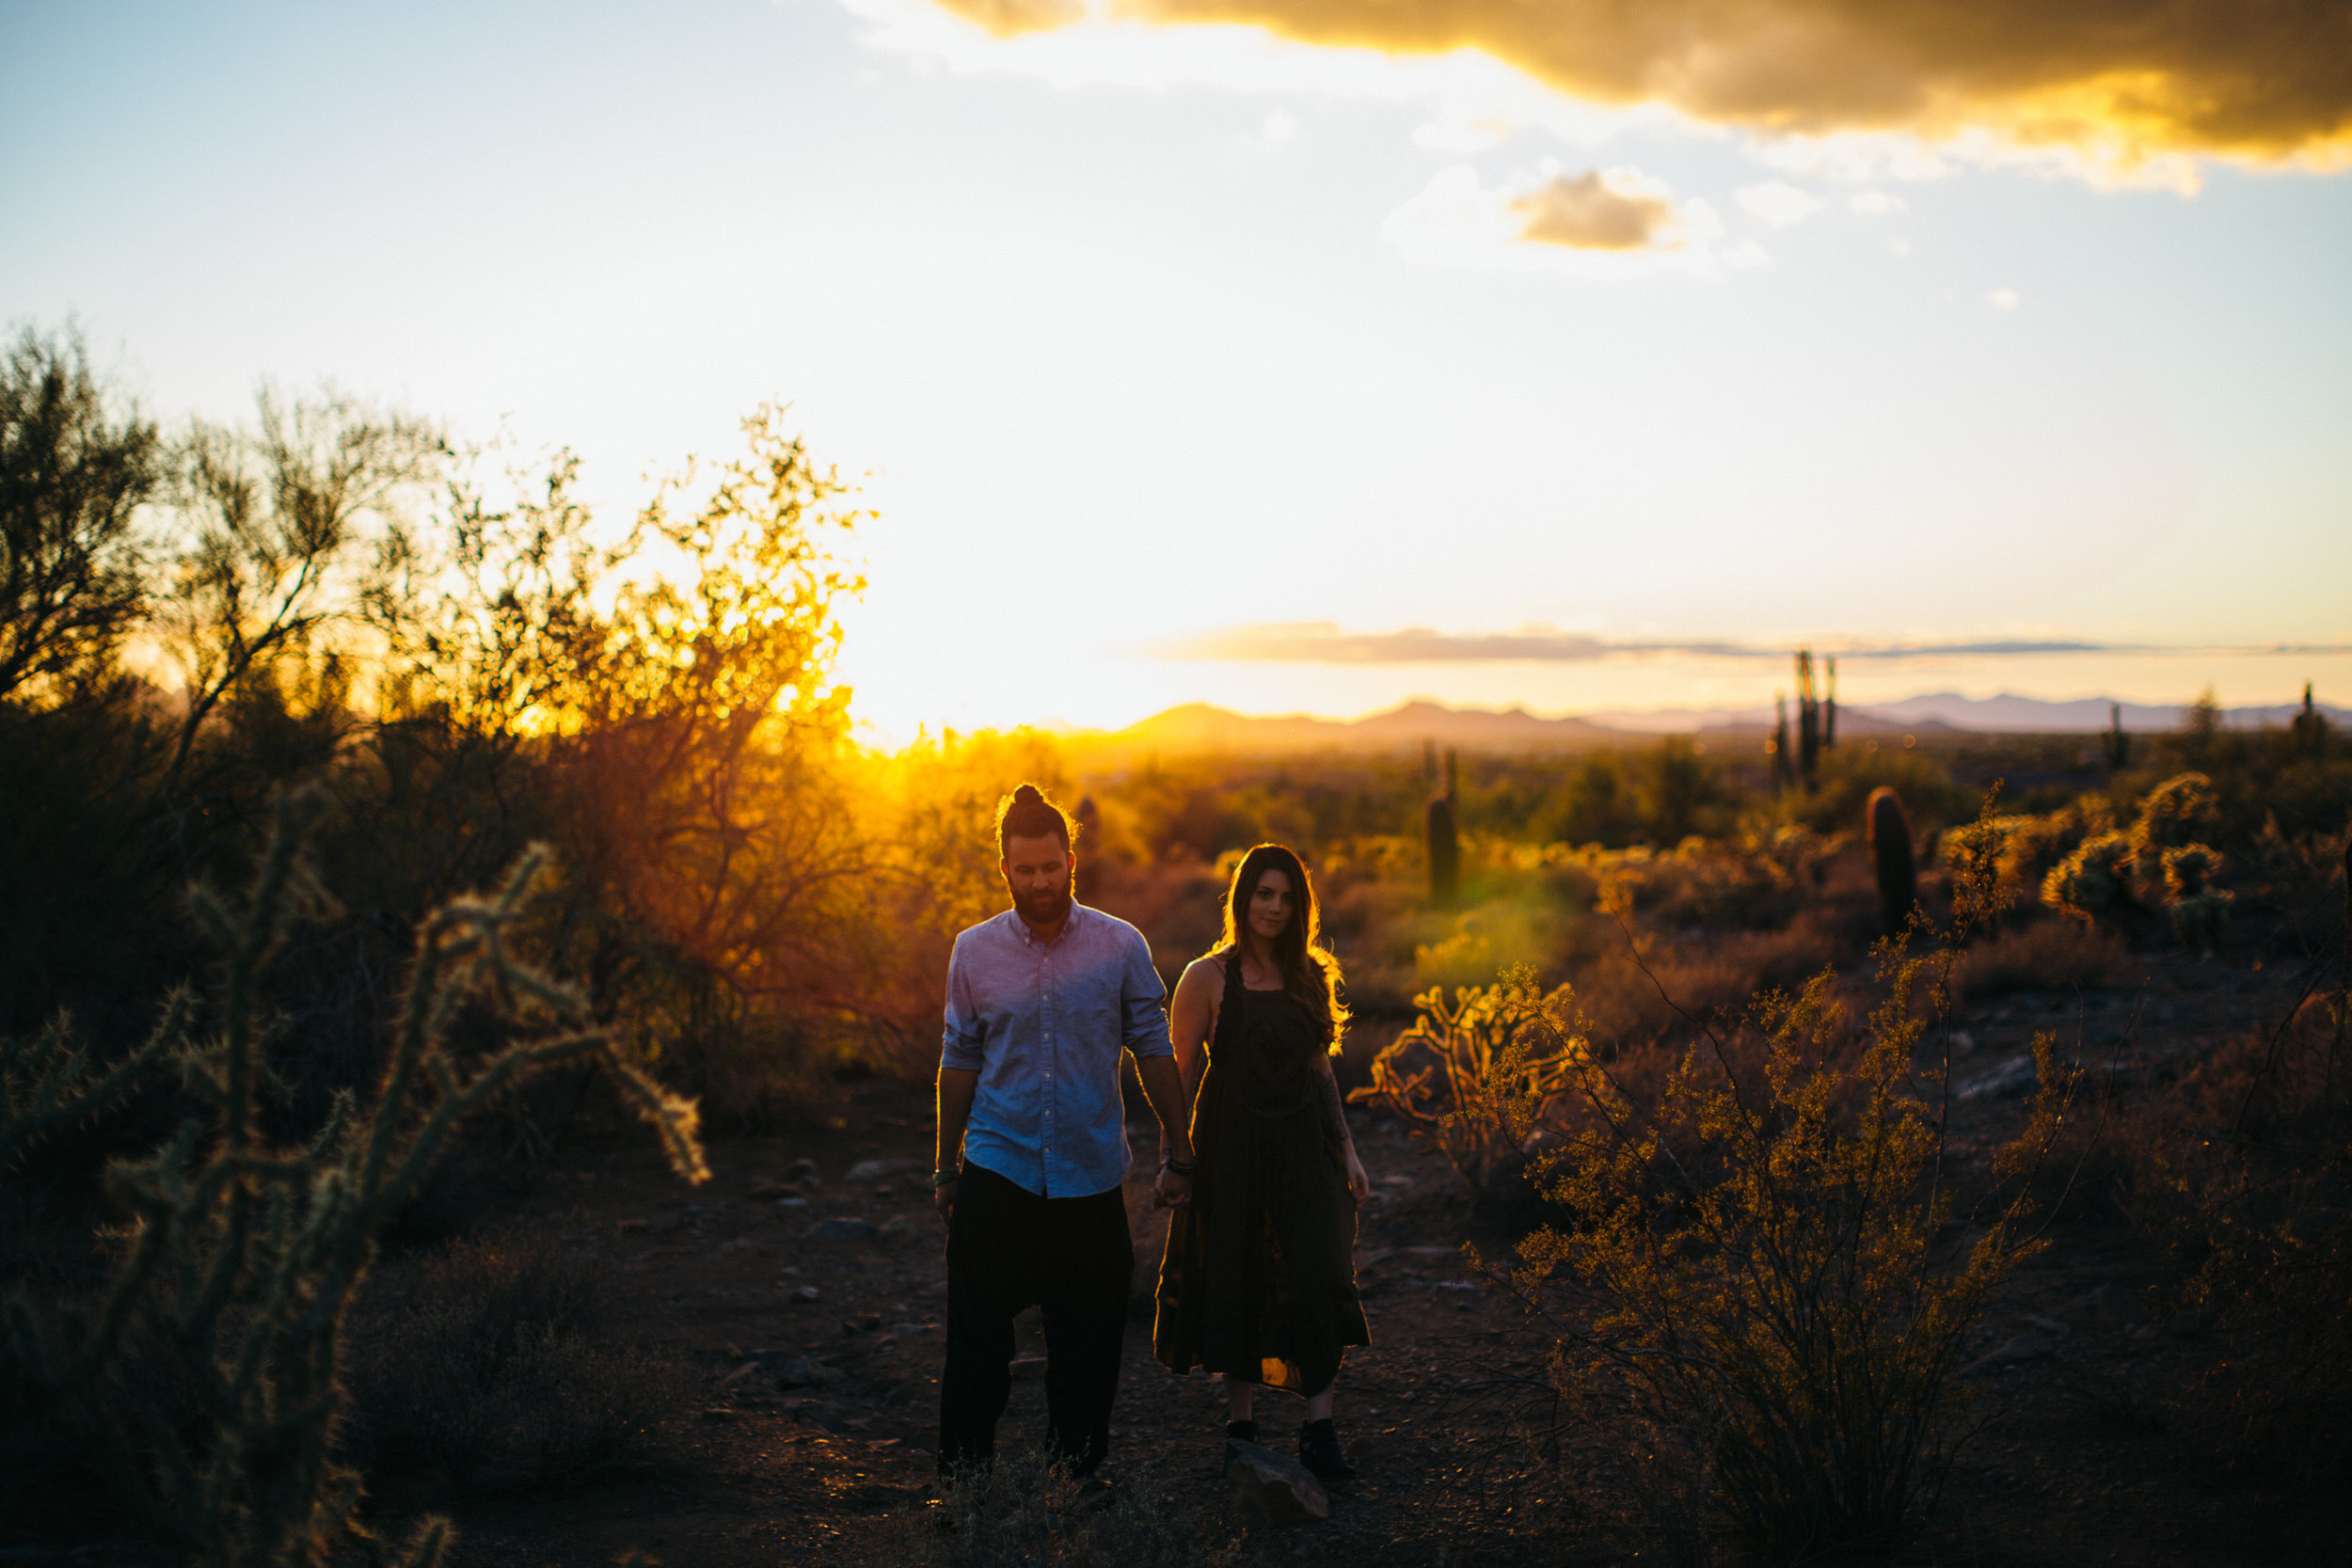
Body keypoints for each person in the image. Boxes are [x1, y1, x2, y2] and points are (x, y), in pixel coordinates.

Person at [933, 784, 1196, 1478]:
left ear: (1071, 860)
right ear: (1005, 869)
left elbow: (1152, 1046)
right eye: (1026, 870)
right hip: (999, 1166)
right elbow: (958, 1060)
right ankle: (964, 1489)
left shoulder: (1119, 945)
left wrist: (1181, 1146)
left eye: (1052, 867)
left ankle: (1072, 1484)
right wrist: (944, 1165)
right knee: (976, 1346)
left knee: (1088, 1348)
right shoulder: (974, 951)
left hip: (1089, 1172)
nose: (1041, 882)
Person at [1152, 843, 1372, 1484]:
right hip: (1232, 1148)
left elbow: (1319, 1066)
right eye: (1263, 893)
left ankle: (1320, 1430)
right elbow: (1178, 1075)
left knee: (1318, 1270)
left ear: (1300, 906)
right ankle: (1242, 1429)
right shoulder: (1206, 977)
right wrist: (1177, 1159)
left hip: (1306, 1147)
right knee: (1237, 1275)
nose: (1273, 907)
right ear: (1242, 899)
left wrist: (1349, 1149)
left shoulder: (1311, 974)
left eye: (1286, 896)